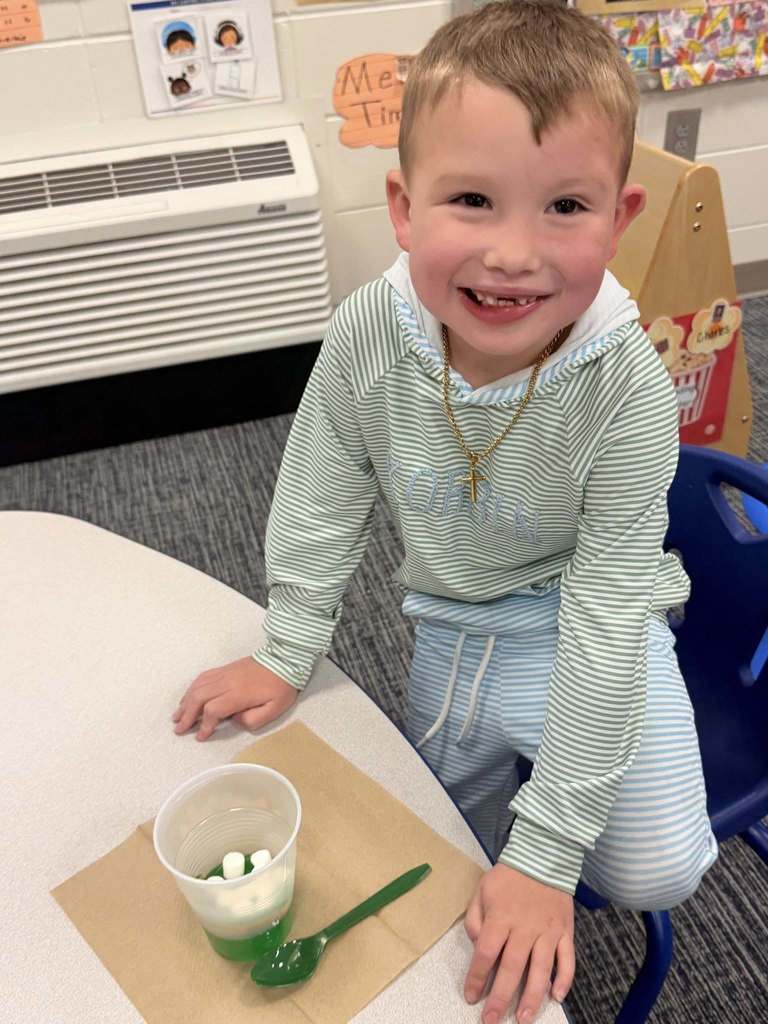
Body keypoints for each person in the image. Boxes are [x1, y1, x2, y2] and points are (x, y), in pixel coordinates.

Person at [172, 1, 718, 1020]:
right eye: (473, 198)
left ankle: (544, 835)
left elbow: (604, 614)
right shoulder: (370, 332)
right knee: (433, 834)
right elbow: (322, 486)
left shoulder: (630, 387)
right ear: (404, 209)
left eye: (565, 207)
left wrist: (552, 851)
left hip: (593, 622)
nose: (514, 253)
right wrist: (288, 643)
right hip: (451, 619)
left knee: (654, 871)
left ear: (622, 217)